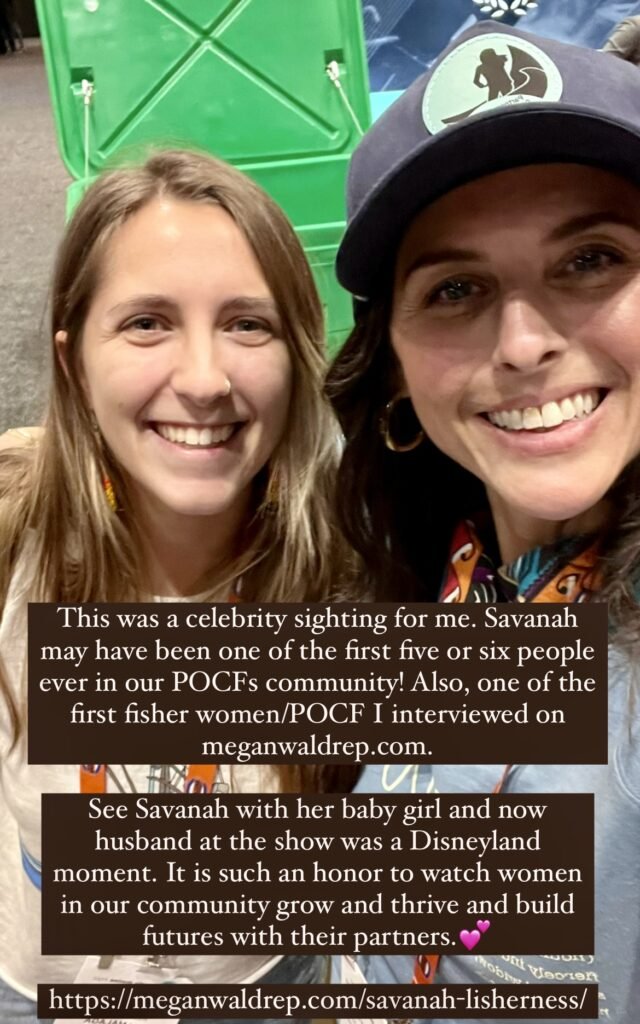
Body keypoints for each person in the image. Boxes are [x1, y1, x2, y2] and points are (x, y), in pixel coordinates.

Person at [327, 21, 640, 1023]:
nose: (522, 342)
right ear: (393, 367)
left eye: (590, 258)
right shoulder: (449, 561)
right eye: (455, 288)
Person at [0, 148, 357, 1023]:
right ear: (75, 360)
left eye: (249, 324)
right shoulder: (13, 534)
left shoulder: (356, 580)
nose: (204, 380)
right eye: (147, 323)